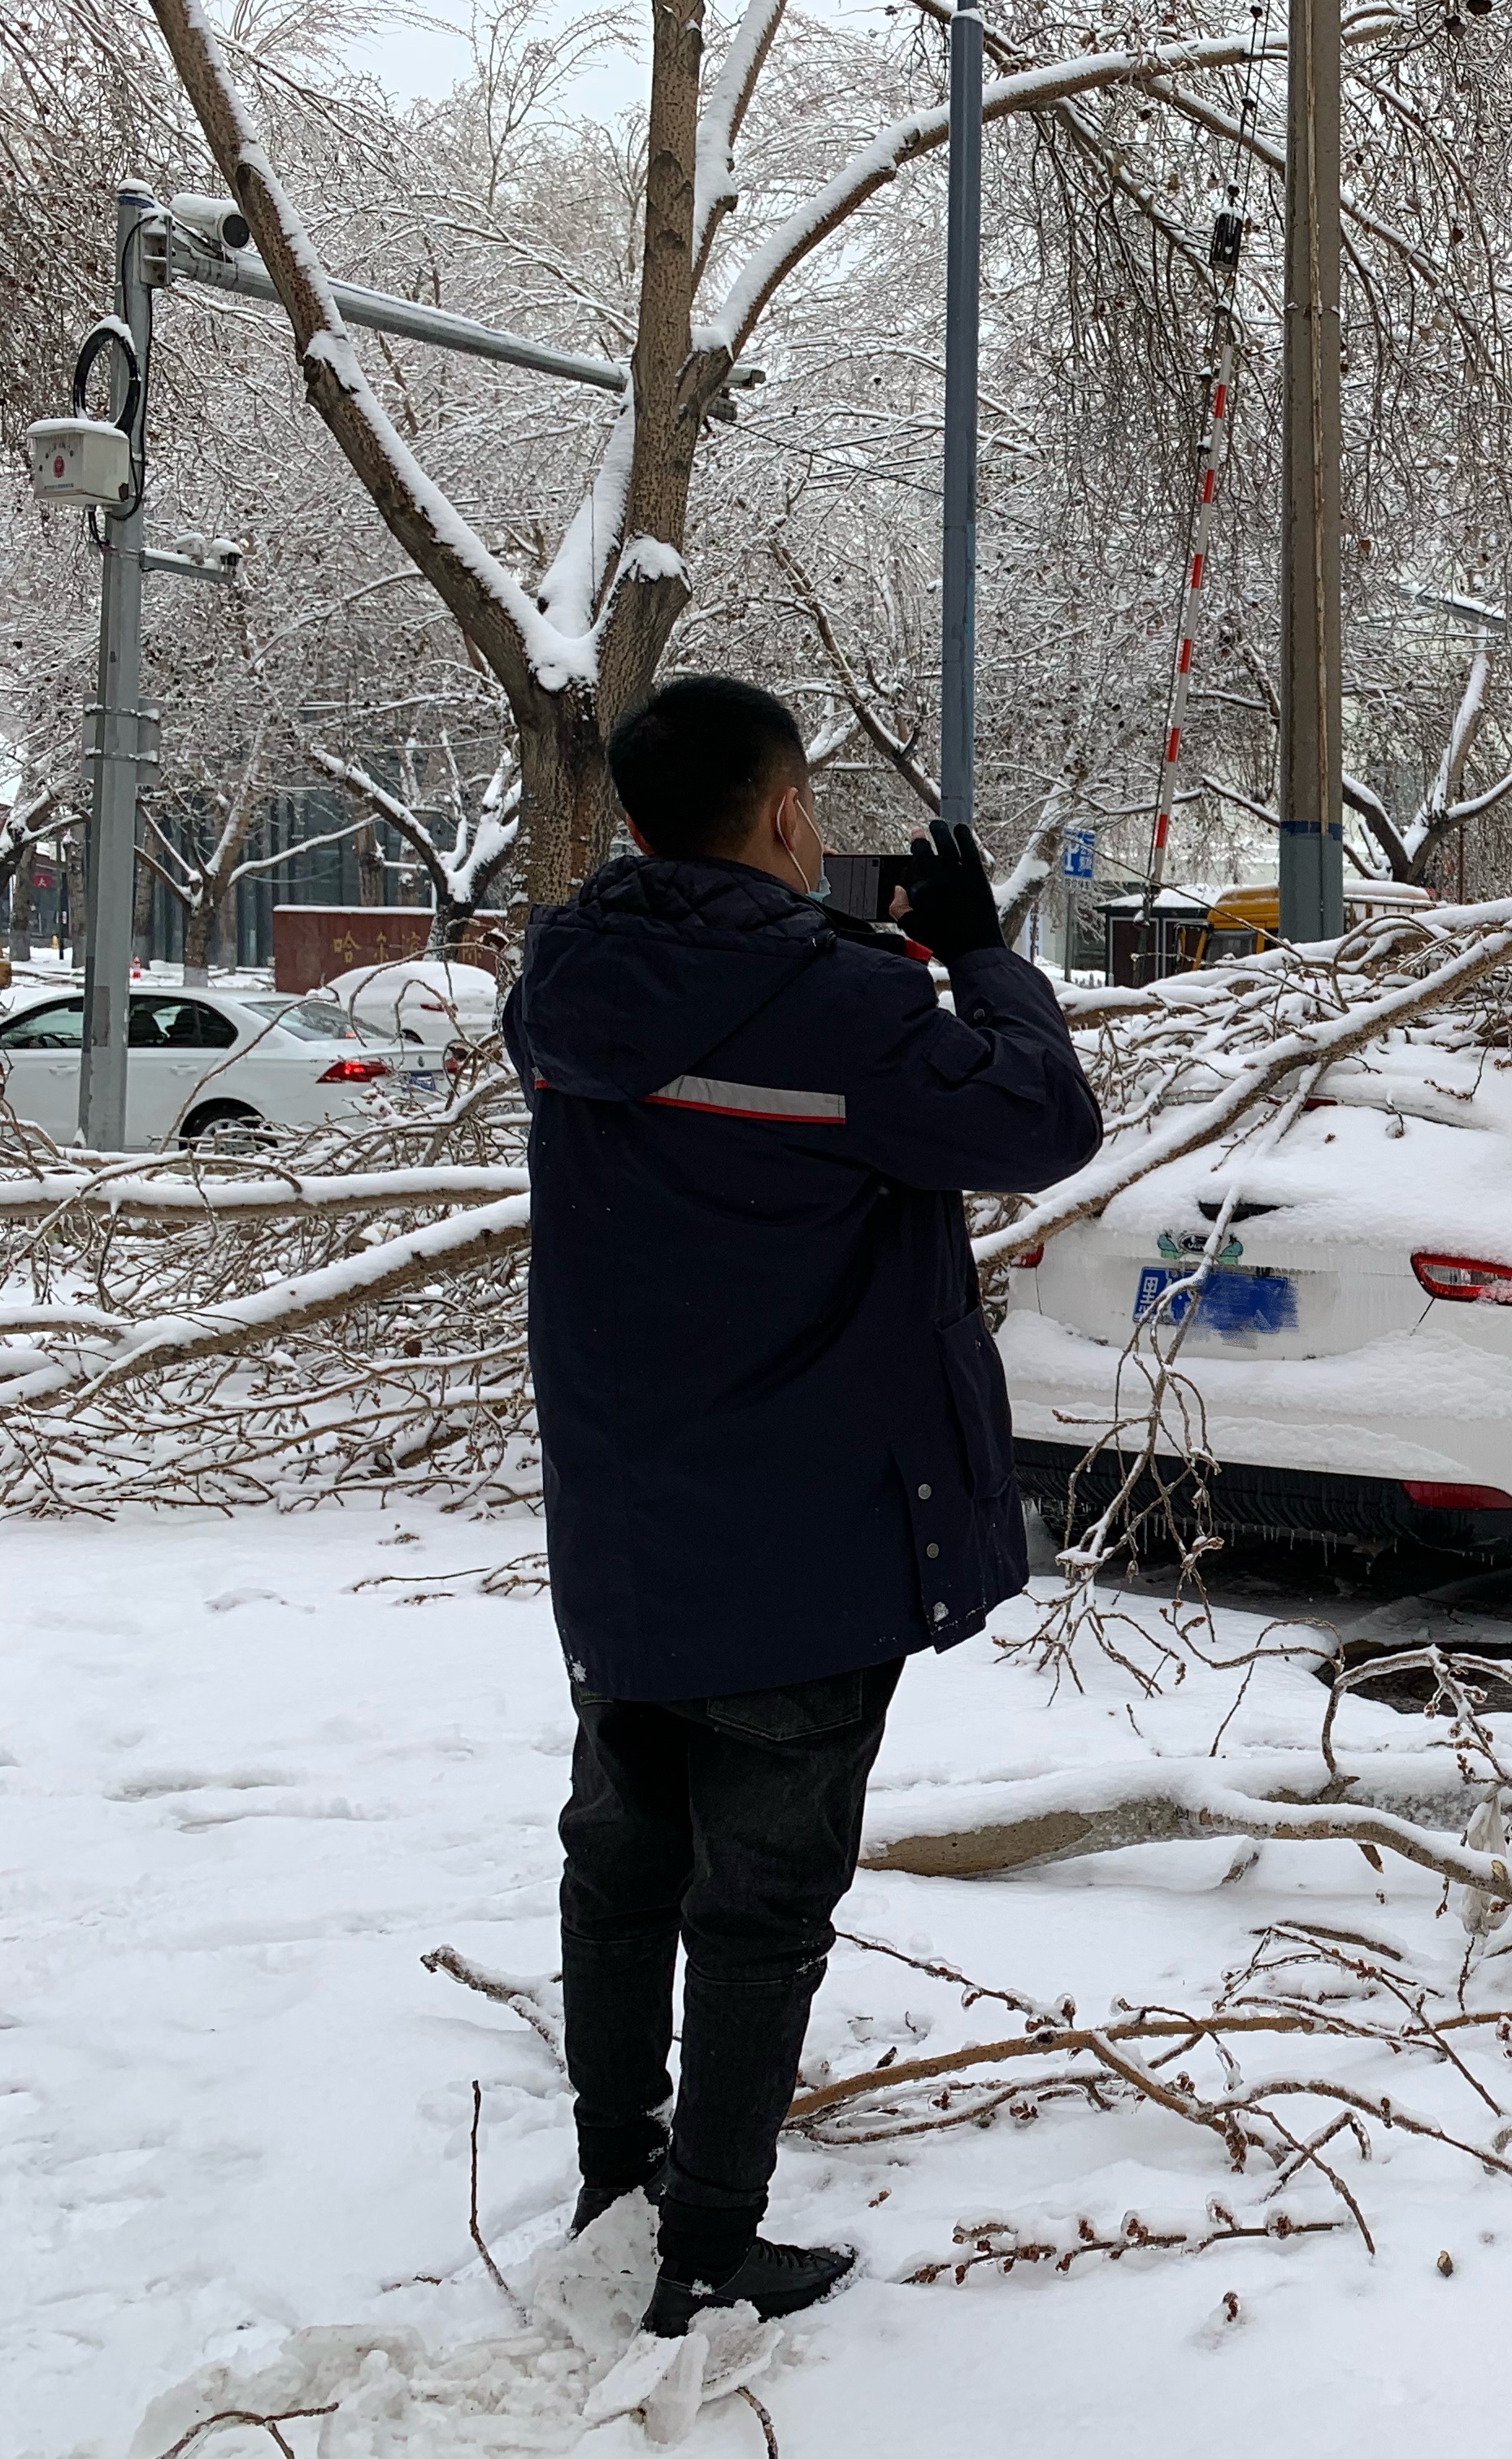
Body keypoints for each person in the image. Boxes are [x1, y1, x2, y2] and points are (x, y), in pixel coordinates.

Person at [502, 676, 1102, 2337]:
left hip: (626, 1531)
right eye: (808, 807)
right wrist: (978, 952)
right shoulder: (845, 1012)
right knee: (758, 1908)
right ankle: (703, 2249)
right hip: (810, 1532)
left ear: (631, 820)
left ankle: (619, 2187)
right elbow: (1042, 1117)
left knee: (620, 1870)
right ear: (781, 816)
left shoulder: (565, 982)